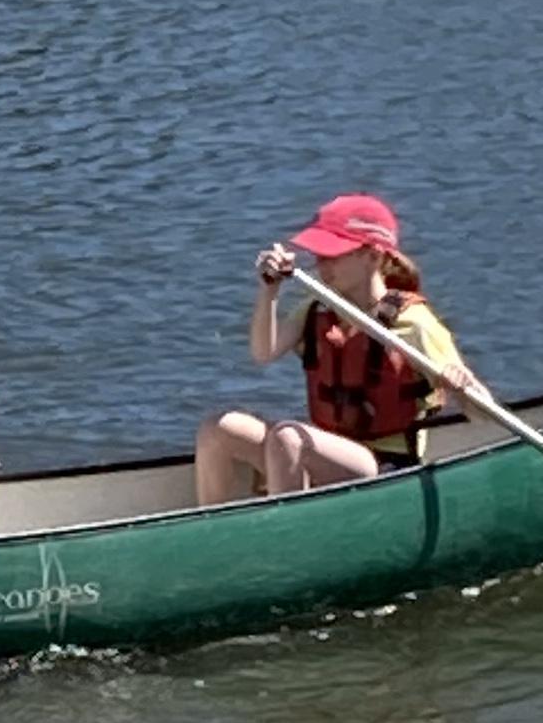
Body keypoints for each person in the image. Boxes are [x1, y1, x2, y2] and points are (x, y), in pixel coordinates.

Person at [195, 194, 476, 500]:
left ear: (373, 257)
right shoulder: (317, 308)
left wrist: (462, 386)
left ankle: (287, 525)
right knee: (219, 429)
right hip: (323, 451)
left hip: (384, 466)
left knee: (289, 437)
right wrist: (269, 291)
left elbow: (478, 405)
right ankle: (210, 523)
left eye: (334, 255)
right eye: (320, 254)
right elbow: (264, 352)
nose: (322, 264)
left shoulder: (414, 322)